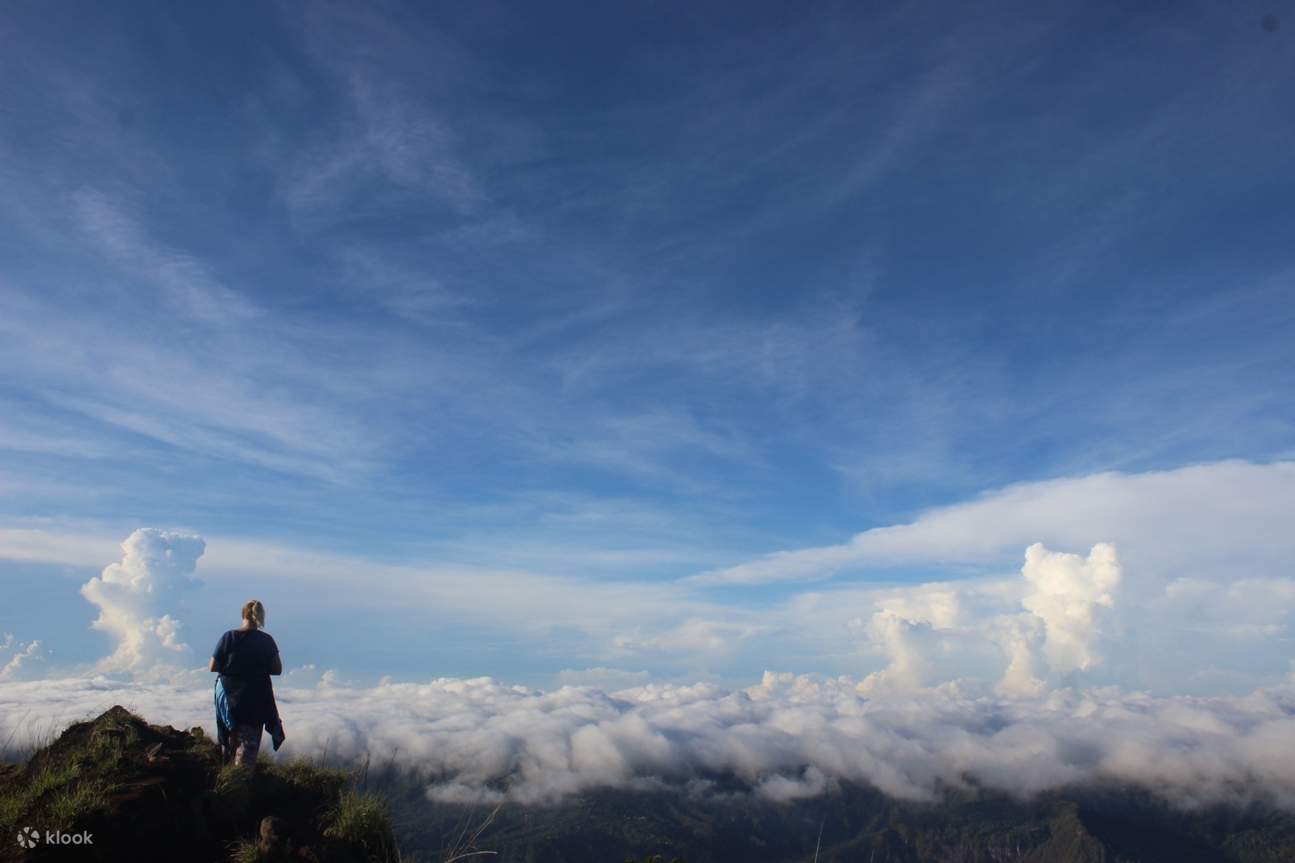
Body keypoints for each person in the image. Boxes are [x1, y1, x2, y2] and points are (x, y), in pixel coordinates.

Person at [210, 599, 286, 766]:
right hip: (255, 699)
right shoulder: (266, 640)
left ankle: (226, 781)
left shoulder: (229, 637)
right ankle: (240, 783)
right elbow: (277, 669)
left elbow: (213, 666)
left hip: (228, 698)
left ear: (243, 615)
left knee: (228, 744)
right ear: (260, 617)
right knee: (246, 751)